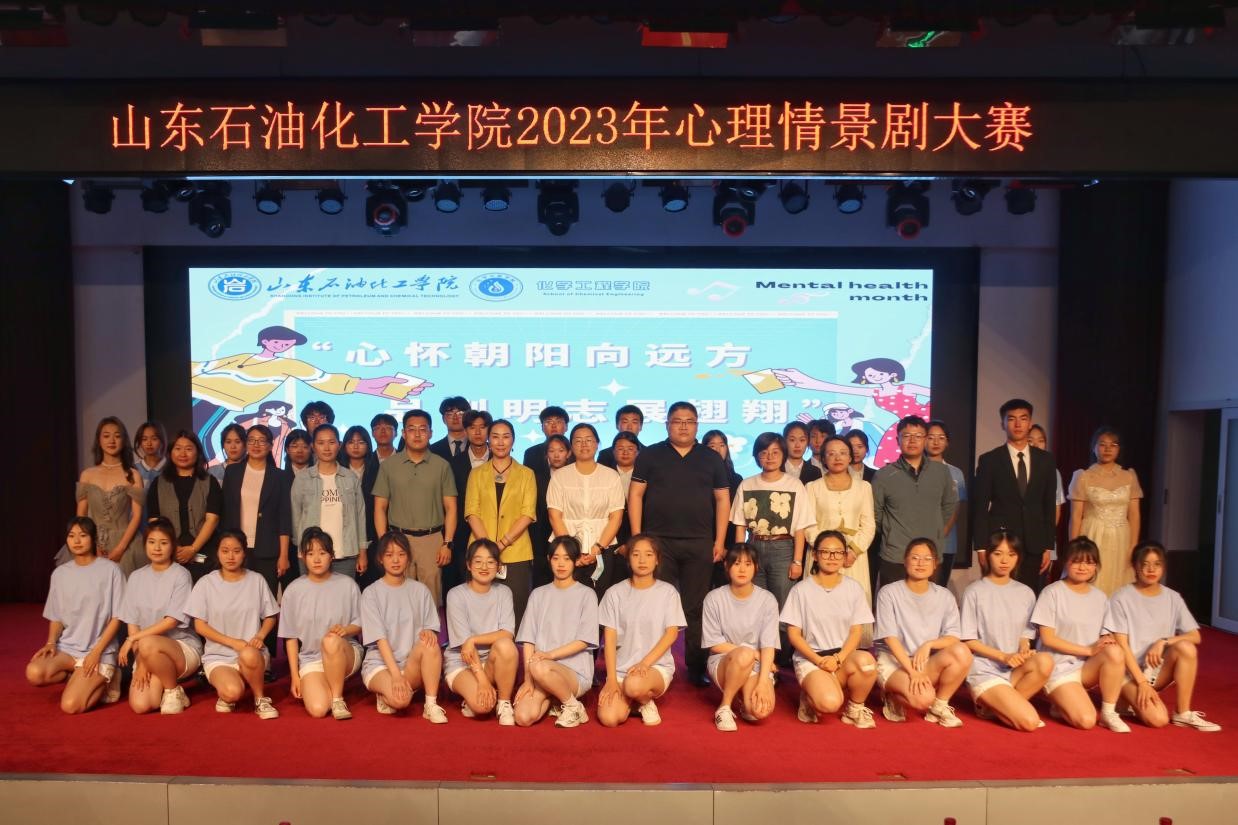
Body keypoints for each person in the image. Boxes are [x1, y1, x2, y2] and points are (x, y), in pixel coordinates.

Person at [629, 402, 731, 687]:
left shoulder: (711, 458)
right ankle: (649, 664)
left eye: (689, 421)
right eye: (677, 421)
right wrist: (638, 538)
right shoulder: (650, 455)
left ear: (697, 425)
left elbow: (723, 499)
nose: (683, 426)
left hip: (700, 542)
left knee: (696, 607)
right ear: (667, 425)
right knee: (654, 606)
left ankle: (696, 667)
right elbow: (635, 495)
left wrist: (719, 540)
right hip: (658, 543)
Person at [1104, 540, 1220, 731]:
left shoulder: (1172, 597)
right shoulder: (1121, 597)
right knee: (1158, 719)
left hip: (1156, 671)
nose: (1151, 569)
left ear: (1163, 567)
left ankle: (1183, 713)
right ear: (1135, 566)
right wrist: (1141, 682)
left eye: (1157, 564)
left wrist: (1164, 641)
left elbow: (1195, 636)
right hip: (1128, 673)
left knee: (1186, 647)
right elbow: (1121, 645)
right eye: (1145, 564)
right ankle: (1124, 697)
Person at [27, 517, 126, 713]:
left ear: (93, 538)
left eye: (83, 535)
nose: (77, 541)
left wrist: (96, 653)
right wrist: (51, 643)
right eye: (71, 536)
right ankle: (78, 678)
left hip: (100, 651)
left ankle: (108, 679)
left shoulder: (111, 570)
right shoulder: (60, 574)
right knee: (34, 672)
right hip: (68, 649)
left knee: (70, 705)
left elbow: (118, 617)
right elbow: (56, 616)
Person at [1031, 537, 1130, 732]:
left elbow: (1105, 637)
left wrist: (1106, 641)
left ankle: (1109, 713)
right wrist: (1087, 650)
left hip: (1086, 668)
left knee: (1115, 651)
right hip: (1058, 668)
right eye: (1077, 561)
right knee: (1086, 721)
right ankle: (1060, 700)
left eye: (1089, 562)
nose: (1083, 567)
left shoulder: (1100, 597)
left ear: (1096, 566)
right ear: (1066, 562)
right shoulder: (1052, 592)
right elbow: (1048, 638)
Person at [780, 531, 877, 728]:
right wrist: (819, 661)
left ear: (845, 556)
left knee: (867, 663)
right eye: (825, 552)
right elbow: (794, 635)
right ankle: (810, 695)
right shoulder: (801, 590)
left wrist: (839, 659)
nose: (832, 557)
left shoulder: (854, 588)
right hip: (812, 659)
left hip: (842, 657)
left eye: (838, 552)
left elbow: (856, 632)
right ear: (815, 555)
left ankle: (854, 708)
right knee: (830, 703)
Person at [874, 537, 972, 728]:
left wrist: (929, 644)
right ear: (905, 561)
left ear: (935, 564)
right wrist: (912, 672)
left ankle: (939, 706)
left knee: (962, 651)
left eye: (927, 559)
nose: (921, 563)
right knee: (922, 700)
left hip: (924, 662)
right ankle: (893, 695)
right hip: (895, 662)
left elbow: (953, 637)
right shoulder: (889, 592)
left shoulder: (944, 595)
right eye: (915, 557)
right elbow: (890, 638)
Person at [959, 531, 1052, 731]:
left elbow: (1025, 635)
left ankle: (992, 708)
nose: (1004, 560)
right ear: (988, 555)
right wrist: (1003, 656)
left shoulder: (1026, 592)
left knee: (1045, 661)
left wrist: (1024, 650)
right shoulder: (974, 591)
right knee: (1029, 722)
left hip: (1013, 670)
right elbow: (968, 641)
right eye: (998, 554)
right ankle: (995, 703)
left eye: (1011, 554)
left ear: (1018, 557)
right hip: (985, 670)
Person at [185, 529, 280, 719]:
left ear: (244, 553)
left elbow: (271, 616)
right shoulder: (206, 583)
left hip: (252, 653)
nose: (230, 556)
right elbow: (200, 626)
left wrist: (260, 636)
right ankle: (229, 688)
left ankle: (260, 699)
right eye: (225, 551)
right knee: (232, 693)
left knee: (248, 654)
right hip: (219, 656)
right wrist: (233, 643)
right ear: (217, 553)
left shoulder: (256, 580)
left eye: (236, 551)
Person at [771, 357, 932, 467]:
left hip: (921, 419)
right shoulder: (877, 392)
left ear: (893, 374)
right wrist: (802, 381)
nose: (875, 377)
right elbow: (835, 388)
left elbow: (935, 393)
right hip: (901, 425)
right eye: (871, 375)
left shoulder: (907, 388)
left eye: (880, 374)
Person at [597, 534, 687, 727]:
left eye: (648, 554)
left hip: (654, 667)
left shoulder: (668, 593)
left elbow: (671, 634)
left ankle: (645, 701)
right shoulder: (614, 593)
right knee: (609, 718)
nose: (642, 560)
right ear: (628, 559)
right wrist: (611, 679)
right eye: (636, 554)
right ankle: (634, 701)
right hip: (622, 670)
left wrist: (644, 664)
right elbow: (609, 639)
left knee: (634, 685)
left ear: (657, 560)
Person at [730, 433, 814, 638]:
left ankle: (781, 653)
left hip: (783, 549)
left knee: (783, 605)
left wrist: (797, 561)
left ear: (783, 455)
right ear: (756, 456)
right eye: (764, 453)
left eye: (775, 452)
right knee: (755, 603)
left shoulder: (794, 485)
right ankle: (759, 650)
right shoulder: (747, 484)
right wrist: (740, 557)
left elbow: (800, 528)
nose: (769, 457)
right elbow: (740, 525)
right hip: (753, 547)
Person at [221, 424, 293, 661]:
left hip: (268, 549)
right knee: (237, 601)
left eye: (262, 440)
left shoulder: (280, 476)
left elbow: (284, 517)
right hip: (237, 548)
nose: (256, 445)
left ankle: (265, 656)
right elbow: (226, 511)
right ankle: (234, 652)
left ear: (271, 446)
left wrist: (283, 555)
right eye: (251, 440)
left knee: (265, 604)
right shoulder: (233, 472)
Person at [359, 531, 447, 722]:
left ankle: (430, 705)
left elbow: (431, 630)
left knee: (430, 643)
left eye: (401, 554)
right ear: (380, 559)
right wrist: (395, 676)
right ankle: (387, 691)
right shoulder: (371, 593)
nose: (396, 560)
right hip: (381, 665)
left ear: (408, 557)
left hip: (411, 665)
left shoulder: (420, 590)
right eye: (389, 555)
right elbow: (380, 640)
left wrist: (428, 632)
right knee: (401, 702)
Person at [118, 518, 202, 715]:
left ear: (172, 546)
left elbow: (171, 621)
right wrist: (141, 661)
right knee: (142, 705)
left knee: (147, 642)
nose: (157, 548)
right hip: (147, 651)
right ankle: (170, 686)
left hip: (180, 648)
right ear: (145, 544)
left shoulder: (181, 575)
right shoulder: (136, 577)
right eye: (152, 542)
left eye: (163, 543)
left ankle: (172, 690)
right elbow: (132, 623)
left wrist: (133, 639)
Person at [513, 536, 599, 728]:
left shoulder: (587, 594)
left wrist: (549, 656)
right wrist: (527, 680)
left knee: (539, 666)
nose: (561, 564)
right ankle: (557, 700)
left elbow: (584, 640)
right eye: (556, 558)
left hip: (574, 672)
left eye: (567, 559)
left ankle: (573, 706)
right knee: (523, 717)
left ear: (576, 561)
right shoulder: (538, 594)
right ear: (548, 559)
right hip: (540, 671)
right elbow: (528, 640)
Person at [373, 409, 457, 606]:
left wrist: (447, 543)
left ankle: (431, 629)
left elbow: (451, 508)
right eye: (411, 429)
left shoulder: (442, 465)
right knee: (399, 598)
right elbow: (379, 507)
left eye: (423, 429)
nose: (417, 434)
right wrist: (384, 542)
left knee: (431, 599)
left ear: (431, 433)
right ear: (403, 433)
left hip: (432, 540)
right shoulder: (389, 465)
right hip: (398, 539)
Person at [972, 399, 1056, 594]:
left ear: (1030, 423)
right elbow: (980, 507)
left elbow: (1048, 505)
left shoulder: (1046, 460)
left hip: (1035, 542)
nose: (1018, 424)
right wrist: (981, 547)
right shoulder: (989, 460)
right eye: (1011, 419)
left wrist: (1048, 546)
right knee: (999, 594)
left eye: (1023, 419)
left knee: (1029, 595)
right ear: (1003, 424)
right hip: (1001, 542)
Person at [279, 527, 364, 720]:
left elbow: (361, 623)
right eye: (310, 554)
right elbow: (290, 637)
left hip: (345, 653)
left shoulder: (348, 585)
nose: (317, 559)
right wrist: (295, 676)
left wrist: (345, 630)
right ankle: (328, 685)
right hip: (312, 659)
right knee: (318, 710)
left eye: (322, 553)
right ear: (303, 557)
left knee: (331, 641)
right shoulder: (293, 591)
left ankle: (338, 698)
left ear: (332, 556)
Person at [871, 416, 958, 589]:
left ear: (925, 439)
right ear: (897, 440)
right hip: (895, 556)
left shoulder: (941, 472)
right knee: (892, 603)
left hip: (930, 557)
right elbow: (876, 514)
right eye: (906, 436)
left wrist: (936, 532)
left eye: (918, 436)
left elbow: (949, 507)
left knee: (930, 604)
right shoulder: (883, 475)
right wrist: (892, 533)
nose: (912, 440)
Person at [464, 419, 537, 624]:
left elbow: (528, 513)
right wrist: (488, 548)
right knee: (480, 610)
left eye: (506, 437)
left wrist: (502, 544)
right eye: (495, 437)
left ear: (513, 441)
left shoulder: (526, 474)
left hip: (516, 552)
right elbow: (471, 512)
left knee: (516, 610)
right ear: (488, 440)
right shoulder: (476, 474)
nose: (500, 442)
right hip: (480, 553)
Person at [701, 543, 779, 731]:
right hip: (724, 661)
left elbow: (768, 645)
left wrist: (763, 681)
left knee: (759, 711)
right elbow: (714, 644)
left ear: (756, 567)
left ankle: (744, 697)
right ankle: (724, 707)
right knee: (744, 654)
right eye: (736, 564)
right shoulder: (714, 598)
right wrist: (753, 653)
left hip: (756, 663)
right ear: (727, 566)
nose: (742, 569)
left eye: (748, 564)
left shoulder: (767, 600)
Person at [445, 539, 519, 725]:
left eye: (490, 561)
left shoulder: (504, 592)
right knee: (482, 707)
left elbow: (507, 634)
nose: (484, 567)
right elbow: (465, 646)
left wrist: (473, 639)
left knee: (506, 646)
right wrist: (482, 681)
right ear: (469, 565)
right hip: (462, 663)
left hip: (493, 660)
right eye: (478, 561)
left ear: (498, 566)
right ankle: (476, 695)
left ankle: (504, 703)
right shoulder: (456, 595)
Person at [547, 424, 626, 594]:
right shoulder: (560, 476)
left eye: (589, 440)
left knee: (599, 598)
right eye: (578, 441)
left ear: (597, 444)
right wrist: (572, 551)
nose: (584, 444)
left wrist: (598, 547)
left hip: (602, 548)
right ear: (571, 447)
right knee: (567, 599)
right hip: (566, 553)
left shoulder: (611, 476)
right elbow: (555, 516)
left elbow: (616, 517)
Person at [1068, 426, 1143, 596]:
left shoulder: (1129, 476)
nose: (1108, 449)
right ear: (1093, 447)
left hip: (1121, 538)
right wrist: (1074, 548)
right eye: (1102, 444)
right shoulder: (1083, 476)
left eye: (1113, 445)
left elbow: (1134, 515)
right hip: (1093, 534)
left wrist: (1133, 546)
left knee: (1120, 586)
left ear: (1119, 449)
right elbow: (1075, 516)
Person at [805, 435, 875, 611]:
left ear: (850, 457)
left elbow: (868, 525)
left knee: (853, 607)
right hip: (821, 555)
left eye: (843, 453)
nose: (837, 458)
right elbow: (808, 525)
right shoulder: (812, 487)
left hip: (853, 557)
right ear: (823, 459)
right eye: (831, 454)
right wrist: (826, 551)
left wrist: (852, 551)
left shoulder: (864, 487)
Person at [291, 424, 368, 578]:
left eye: (331, 442)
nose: (326, 448)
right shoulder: (302, 479)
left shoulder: (350, 477)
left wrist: (363, 552)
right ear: (313, 446)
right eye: (321, 443)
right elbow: (296, 518)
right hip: (311, 554)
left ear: (339, 445)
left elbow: (360, 516)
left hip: (345, 553)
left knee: (344, 593)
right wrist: (301, 548)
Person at [146, 430, 223, 583]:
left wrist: (193, 549)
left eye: (188, 449)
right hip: (169, 553)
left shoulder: (209, 481)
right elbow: (154, 521)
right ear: (170, 452)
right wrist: (172, 548)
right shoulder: (158, 483)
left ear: (198, 452)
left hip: (203, 554)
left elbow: (212, 519)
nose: (183, 453)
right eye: (178, 448)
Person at [73, 416, 145, 575]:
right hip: (91, 541)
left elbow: (137, 516)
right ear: (99, 440)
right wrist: (92, 544)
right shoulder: (87, 475)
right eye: (106, 436)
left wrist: (120, 548)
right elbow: (81, 516)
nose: (112, 440)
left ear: (124, 441)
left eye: (117, 436)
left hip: (126, 544)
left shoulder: (132, 475)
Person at [446, 410, 493, 592]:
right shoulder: (454, 463)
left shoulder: (502, 461)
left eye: (482, 427)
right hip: (462, 535)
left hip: (494, 531)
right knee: (463, 587)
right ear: (465, 431)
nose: (478, 432)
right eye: (472, 428)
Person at [925, 420, 967, 586]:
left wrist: (942, 533)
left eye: (941, 438)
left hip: (946, 543)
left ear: (947, 442)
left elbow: (956, 507)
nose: (936, 442)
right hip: (918, 540)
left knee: (939, 589)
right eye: (931, 437)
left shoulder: (956, 473)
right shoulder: (915, 470)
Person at [342, 426, 381, 585]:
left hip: (372, 533)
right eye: (351, 442)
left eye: (361, 442)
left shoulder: (378, 470)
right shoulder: (337, 471)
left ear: (368, 445)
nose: (356, 446)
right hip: (344, 535)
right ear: (344, 446)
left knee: (371, 582)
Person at [532, 434, 572, 587]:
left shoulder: (575, 476)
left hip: (569, 533)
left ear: (568, 453)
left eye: (561, 450)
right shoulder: (536, 478)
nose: (556, 455)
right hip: (542, 538)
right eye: (551, 451)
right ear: (546, 454)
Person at [522, 405, 571, 478]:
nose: (554, 426)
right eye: (549, 422)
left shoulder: (575, 452)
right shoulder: (531, 453)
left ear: (566, 427)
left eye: (558, 421)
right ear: (542, 427)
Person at [598, 404, 645, 469]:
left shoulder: (647, 453)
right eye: (625, 422)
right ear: (617, 425)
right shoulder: (605, 455)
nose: (629, 427)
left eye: (634, 422)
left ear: (641, 426)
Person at [430, 396, 472, 461]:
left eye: (460, 414)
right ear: (443, 419)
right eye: (450, 414)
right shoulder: (432, 450)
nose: (455, 418)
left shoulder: (479, 447)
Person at [133, 421, 168, 489]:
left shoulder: (171, 467)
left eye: (154, 439)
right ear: (140, 443)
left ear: (162, 440)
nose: (149, 443)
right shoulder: (134, 469)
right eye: (144, 439)